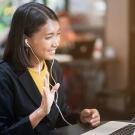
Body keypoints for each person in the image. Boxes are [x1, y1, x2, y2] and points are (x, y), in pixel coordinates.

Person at [0, 2, 100, 135]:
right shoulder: (5, 75)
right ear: (26, 40)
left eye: (58, 34)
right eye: (49, 37)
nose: (56, 43)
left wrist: (80, 117)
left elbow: (59, 116)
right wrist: (40, 113)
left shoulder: (53, 67)